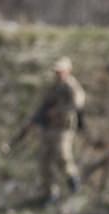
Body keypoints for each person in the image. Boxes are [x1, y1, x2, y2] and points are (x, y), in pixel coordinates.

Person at [36, 57, 86, 202]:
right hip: (49, 128)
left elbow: (78, 103)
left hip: (63, 128)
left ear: (68, 71)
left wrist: (58, 111)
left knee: (63, 156)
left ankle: (73, 182)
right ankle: (50, 192)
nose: (58, 74)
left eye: (61, 71)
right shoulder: (53, 87)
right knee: (45, 160)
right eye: (57, 71)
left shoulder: (71, 86)